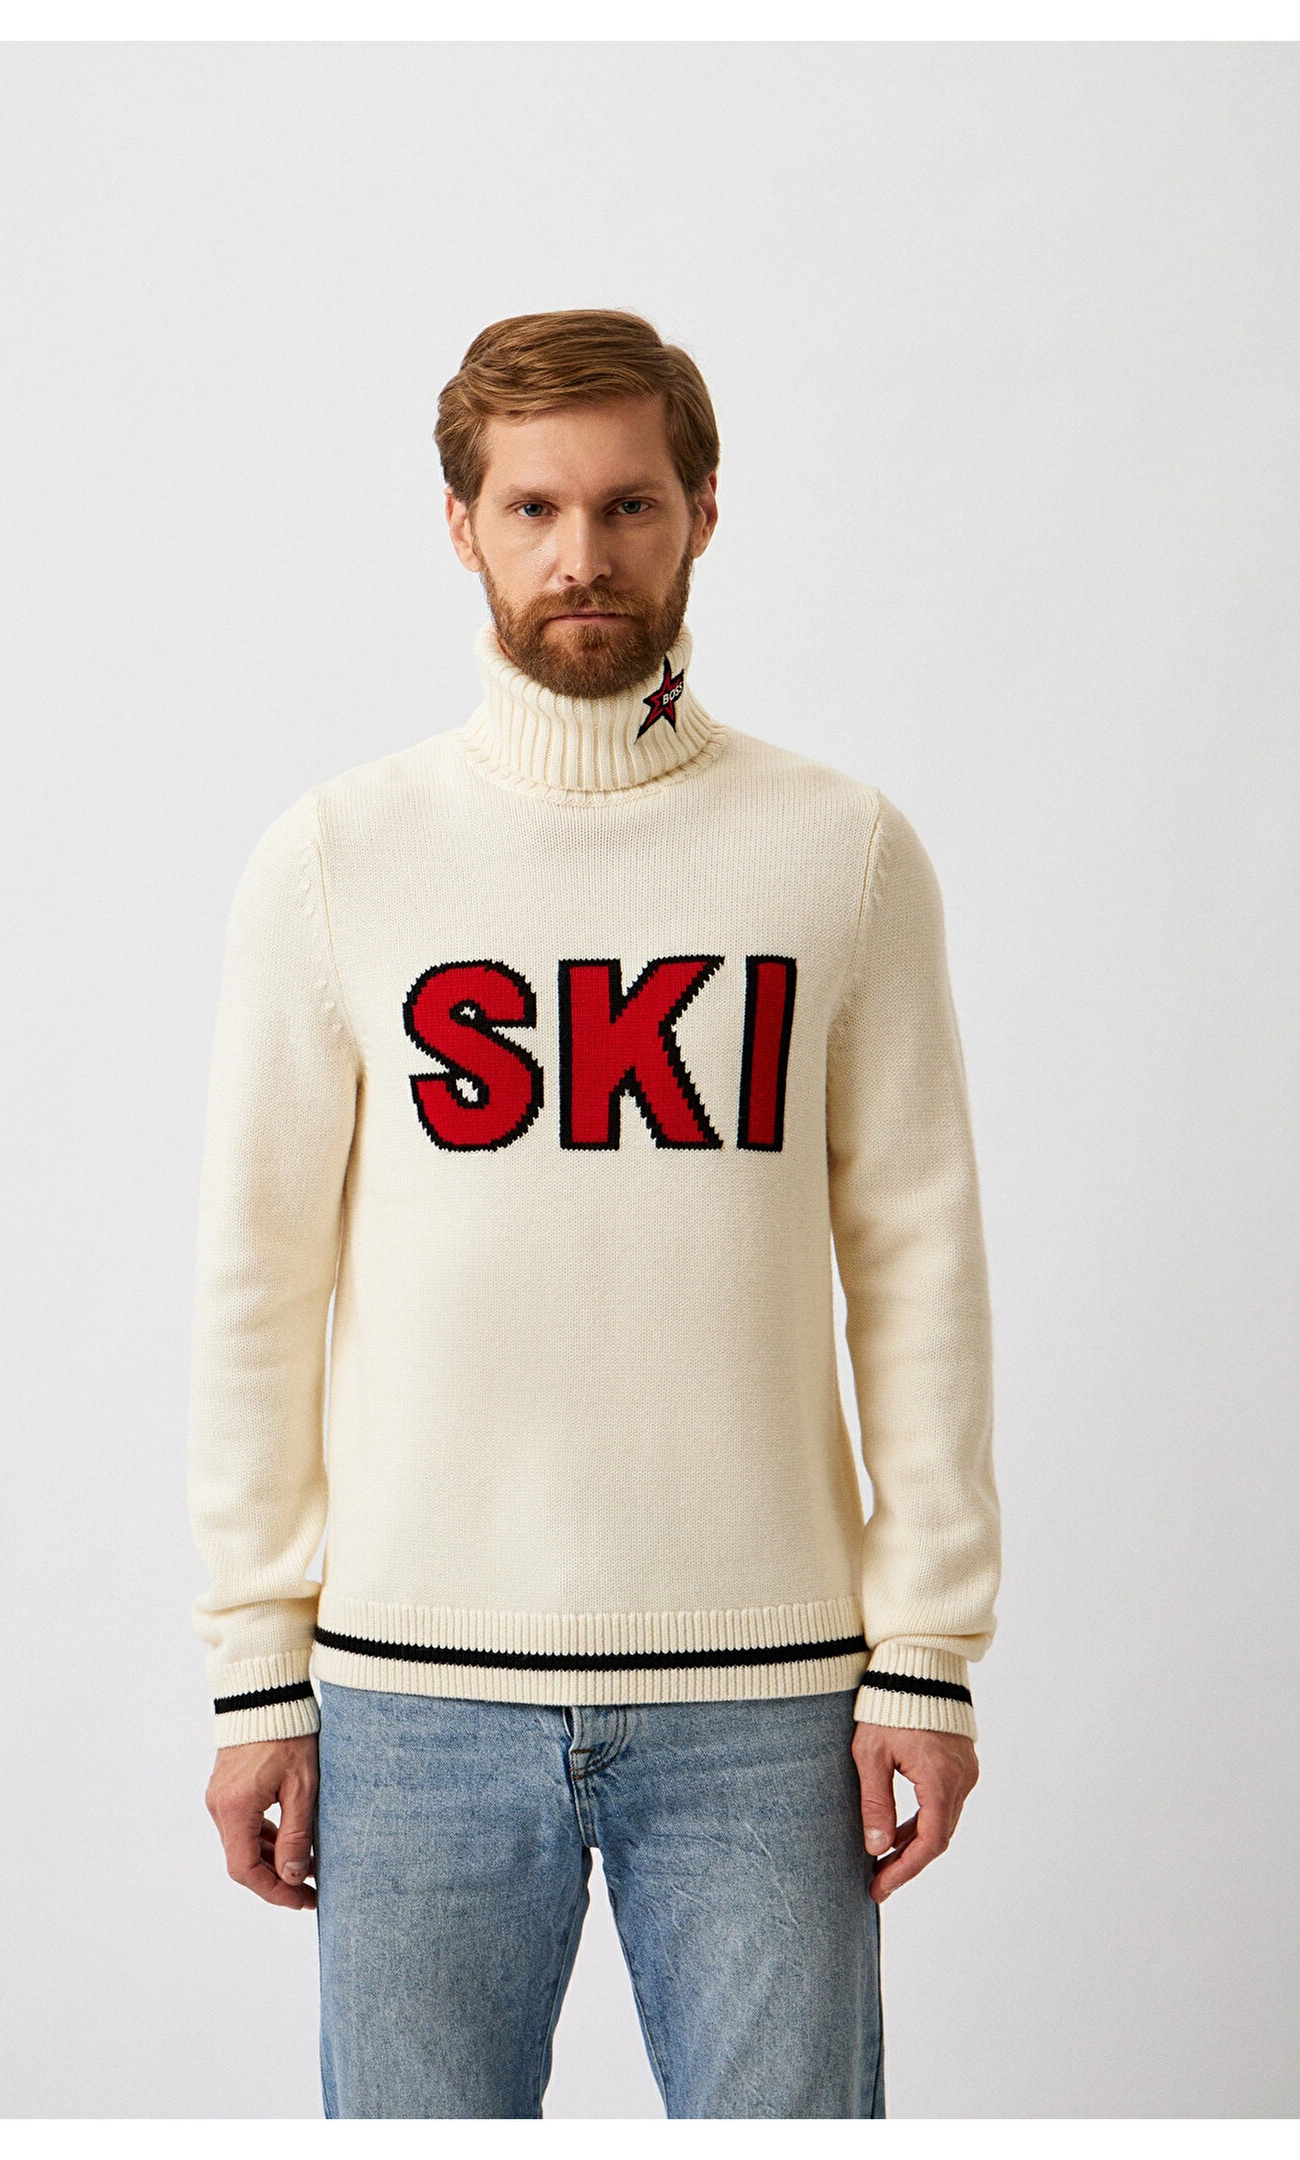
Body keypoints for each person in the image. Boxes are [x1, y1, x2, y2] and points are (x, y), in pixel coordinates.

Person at [186, 308, 1002, 2121]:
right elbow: (257, 1284)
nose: (582, 555)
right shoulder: (338, 860)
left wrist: (928, 1657)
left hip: (770, 1694)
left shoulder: (843, 852)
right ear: (461, 527)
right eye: (534, 508)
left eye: (629, 504)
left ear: (703, 511)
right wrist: (257, 1674)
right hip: (411, 1700)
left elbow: (922, 1266)